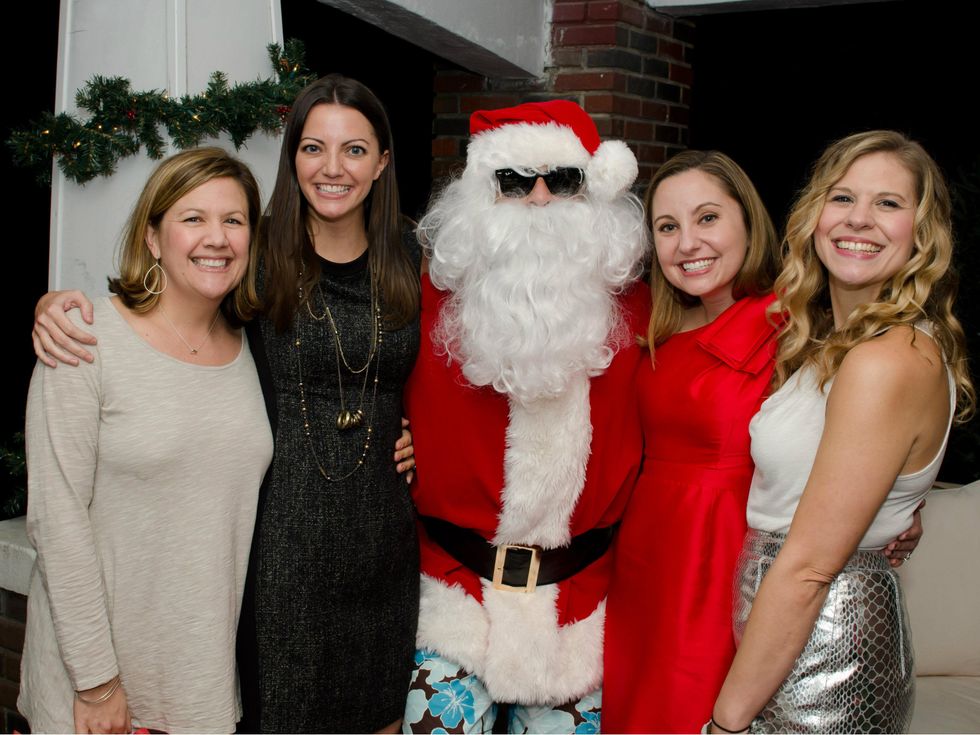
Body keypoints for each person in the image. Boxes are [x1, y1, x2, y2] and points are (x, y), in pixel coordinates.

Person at [31, 75, 421, 734]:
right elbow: (155, 319)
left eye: (354, 149)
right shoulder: (260, 256)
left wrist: (419, 431)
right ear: (291, 157)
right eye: (312, 147)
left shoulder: (414, 256)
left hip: (380, 553)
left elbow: (472, 365)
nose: (332, 167)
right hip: (276, 568)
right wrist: (52, 307)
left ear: (382, 162)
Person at [602, 150, 926, 734]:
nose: (687, 243)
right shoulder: (652, 322)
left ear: (748, 222)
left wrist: (901, 504)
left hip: (725, 555)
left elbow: (860, 428)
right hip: (645, 556)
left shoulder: (795, 319)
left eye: (708, 218)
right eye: (667, 227)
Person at [707, 130, 974, 734]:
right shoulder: (830, 342)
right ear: (815, 213)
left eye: (889, 203)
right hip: (787, 640)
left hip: (828, 661)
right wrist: (899, 509)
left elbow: (806, 570)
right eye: (843, 197)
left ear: (922, 232)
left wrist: (724, 724)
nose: (860, 219)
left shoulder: (885, 360)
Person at [401, 100, 649, 733]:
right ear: (481, 193)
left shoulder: (645, 312)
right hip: (452, 603)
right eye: (514, 181)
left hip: (581, 616)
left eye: (562, 180)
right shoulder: (419, 297)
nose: (539, 200)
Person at [19, 147, 274, 734]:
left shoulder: (254, 349)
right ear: (154, 238)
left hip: (201, 683)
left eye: (233, 221)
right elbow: (56, 520)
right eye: (193, 218)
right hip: (95, 688)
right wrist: (97, 682)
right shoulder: (83, 342)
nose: (217, 238)